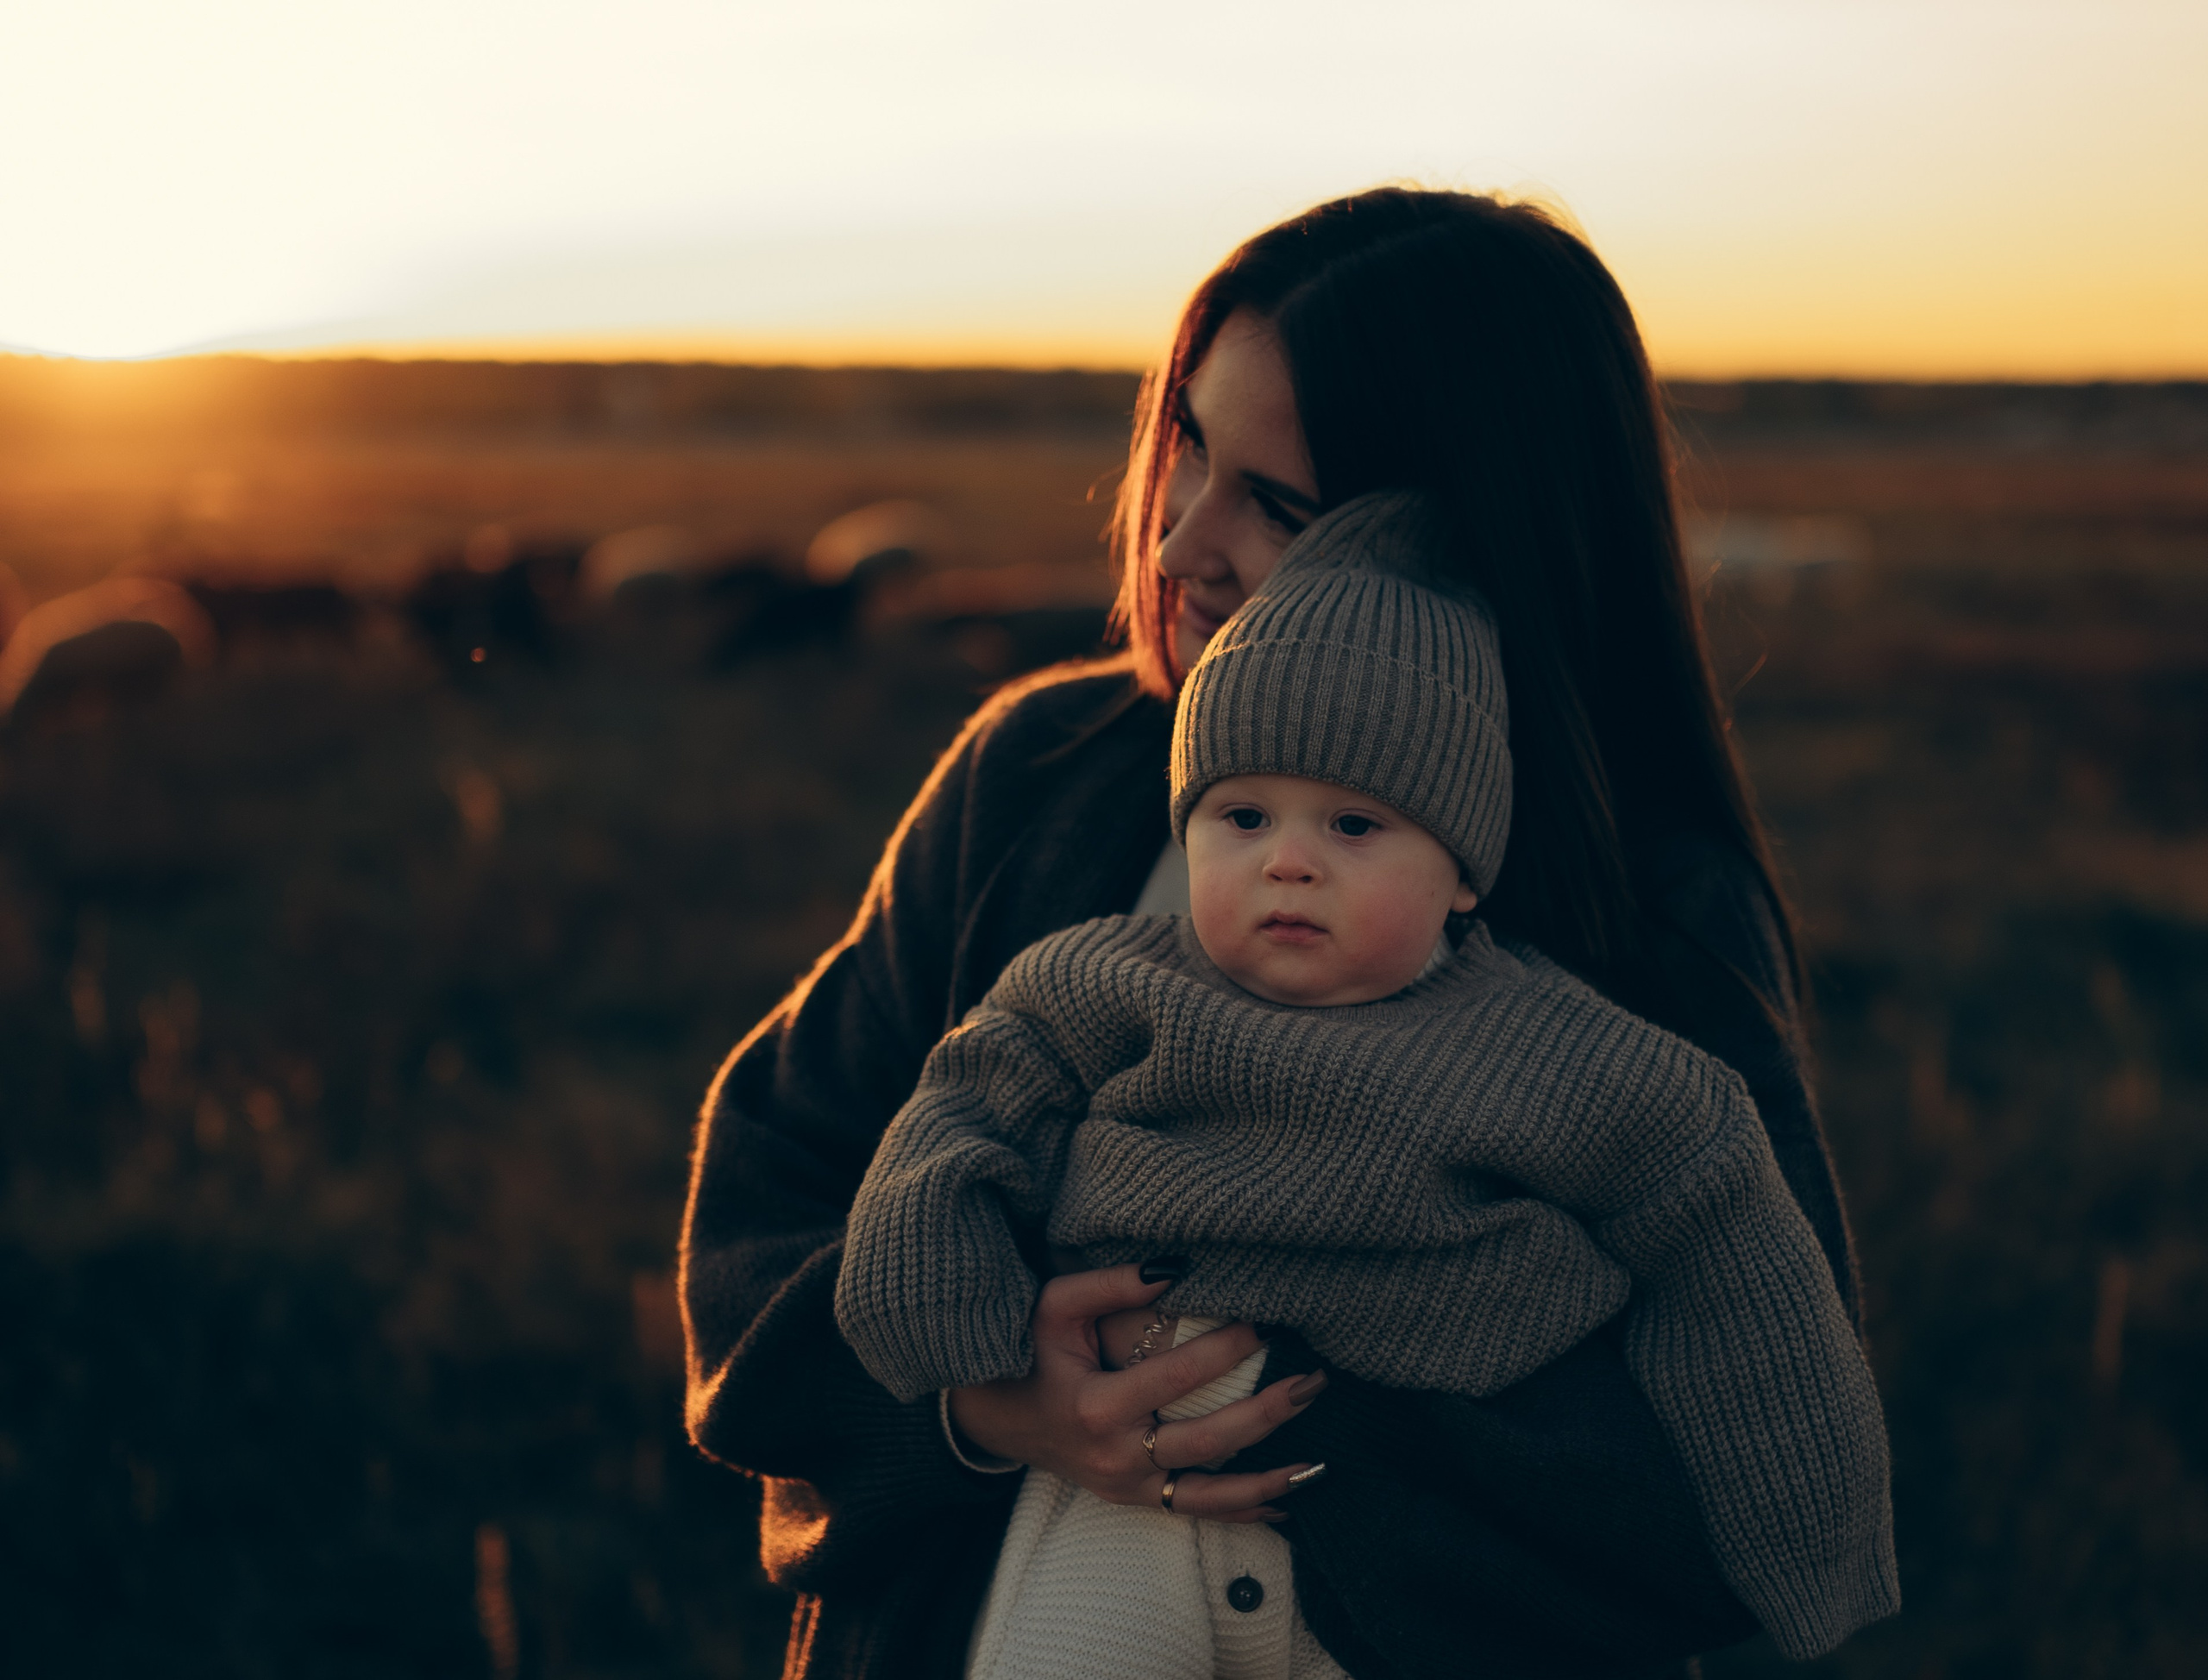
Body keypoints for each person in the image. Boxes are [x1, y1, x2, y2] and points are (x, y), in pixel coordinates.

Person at [680, 186, 1863, 1679]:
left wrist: (1299, 1376)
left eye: (1280, 506)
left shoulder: (1652, 914)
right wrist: (989, 1405)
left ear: (1477, 546)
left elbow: (1731, 1458)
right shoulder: (1039, 780)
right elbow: (770, 1197)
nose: (1177, 543)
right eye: (1185, 444)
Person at [833, 492, 1896, 1680]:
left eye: (1352, 824)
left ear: (1463, 878)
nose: (1288, 857)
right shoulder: (1101, 980)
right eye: (1241, 816)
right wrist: (953, 1326)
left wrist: (1814, 1532)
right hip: (1119, 1500)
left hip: (1396, 1567)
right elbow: (968, 1103)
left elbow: (1721, 1216)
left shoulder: (1547, 1042)